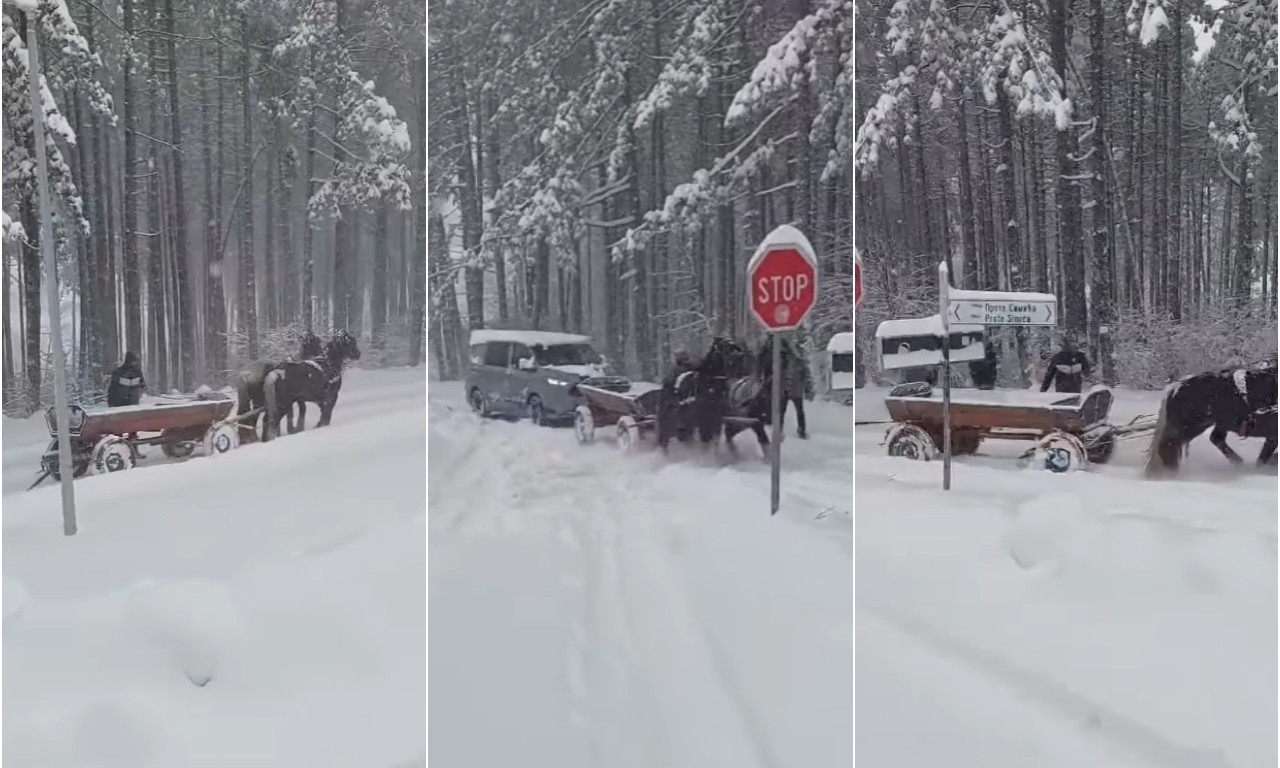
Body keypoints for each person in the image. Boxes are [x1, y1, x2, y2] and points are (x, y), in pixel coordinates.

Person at [760, 336, 814, 438]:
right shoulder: (780, 362)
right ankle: (779, 431)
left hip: (795, 390)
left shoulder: (798, 361)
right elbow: (774, 375)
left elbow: (806, 375)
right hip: (784, 390)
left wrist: (808, 388)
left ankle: (801, 430)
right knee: (781, 411)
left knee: (798, 411)